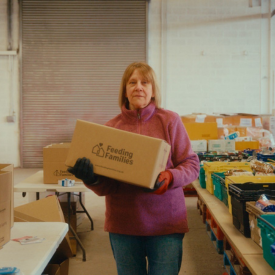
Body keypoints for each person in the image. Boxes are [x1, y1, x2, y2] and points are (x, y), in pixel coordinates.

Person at [68, 61, 200, 275]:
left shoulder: (170, 121)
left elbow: (192, 164)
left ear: (153, 91)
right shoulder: (110, 129)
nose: (138, 86)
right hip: (124, 225)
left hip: (165, 224)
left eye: (145, 82)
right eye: (132, 82)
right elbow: (107, 187)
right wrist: (91, 179)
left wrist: (169, 176)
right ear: (125, 91)